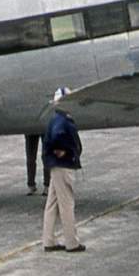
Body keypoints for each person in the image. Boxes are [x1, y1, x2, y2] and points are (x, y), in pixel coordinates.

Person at [40, 88, 85, 252]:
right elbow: (58, 137)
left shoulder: (55, 118)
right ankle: (71, 242)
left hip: (55, 165)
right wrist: (63, 149)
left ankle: (48, 240)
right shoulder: (62, 120)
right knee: (66, 204)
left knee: (52, 204)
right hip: (63, 165)